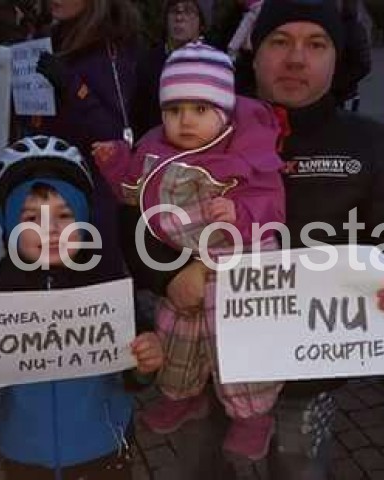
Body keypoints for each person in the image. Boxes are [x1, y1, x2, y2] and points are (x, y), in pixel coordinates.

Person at [123, 0, 384, 477]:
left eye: (316, 44)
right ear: (254, 48)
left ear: (337, 55)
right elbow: (134, 221)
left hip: (306, 373)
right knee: (199, 469)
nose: (296, 59)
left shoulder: (370, 145)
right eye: (280, 41)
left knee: (298, 470)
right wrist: (169, 276)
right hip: (202, 364)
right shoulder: (192, 124)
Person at [94, 41, 285, 461]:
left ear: (224, 112)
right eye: (174, 109)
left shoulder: (246, 150)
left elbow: (272, 204)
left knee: (242, 343)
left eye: (199, 109)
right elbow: (134, 193)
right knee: (176, 335)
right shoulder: (155, 149)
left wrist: (238, 211)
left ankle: (254, 417)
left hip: (241, 261)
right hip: (185, 260)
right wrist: (115, 163)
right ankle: (183, 396)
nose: (184, 121)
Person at [0, 135, 164, 480]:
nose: (50, 231)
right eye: (32, 218)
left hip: (103, 450)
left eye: (64, 215)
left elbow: (132, 377)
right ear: (9, 224)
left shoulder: (108, 293)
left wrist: (145, 364)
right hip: (24, 457)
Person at [33, 0, 140, 277]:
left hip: (93, 197)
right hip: (51, 185)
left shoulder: (109, 49)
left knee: (98, 287)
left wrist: (70, 85)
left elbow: (113, 133)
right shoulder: (49, 39)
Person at [133, 0, 205, 137]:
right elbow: (138, 114)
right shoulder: (148, 62)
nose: (179, 17)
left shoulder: (215, 62)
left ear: (201, 22)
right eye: (174, 11)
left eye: (188, 11)